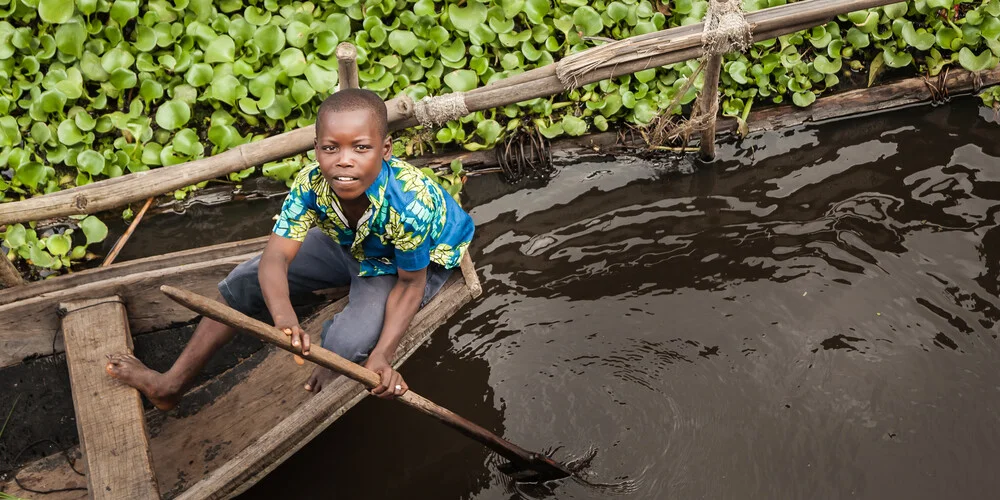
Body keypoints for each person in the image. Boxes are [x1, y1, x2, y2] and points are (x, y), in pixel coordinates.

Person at [107, 88, 475, 410]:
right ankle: (170, 385)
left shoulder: (408, 205)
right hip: (348, 240)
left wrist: (382, 355)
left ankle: (331, 371)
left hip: (402, 264)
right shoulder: (312, 184)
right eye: (331, 148)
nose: (344, 160)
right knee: (244, 281)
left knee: (346, 347)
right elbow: (275, 258)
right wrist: (283, 318)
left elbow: (410, 284)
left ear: (385, 150)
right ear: (317, 149)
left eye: (361, 148)